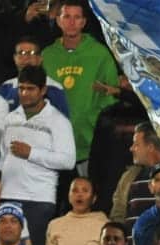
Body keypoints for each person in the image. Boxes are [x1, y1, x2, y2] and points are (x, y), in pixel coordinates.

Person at [0, 66, 74, 245]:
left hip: (38, 199)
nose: (24, 93)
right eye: (21, 88)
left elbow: (68, 161)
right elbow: (3, 157)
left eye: (30, 88)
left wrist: (31, 153)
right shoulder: (11, 118)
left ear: (43, 90)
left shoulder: (58, 121)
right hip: (7, 197)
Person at [39, 0, 118, 167]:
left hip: (90, 142)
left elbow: (112, 94)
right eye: (66, 17)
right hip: (54, 143)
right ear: (58, 20)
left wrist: (92, 118)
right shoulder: (47, 55)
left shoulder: (99, 53)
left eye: (77, 17)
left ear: (83, 22)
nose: (72, 22)